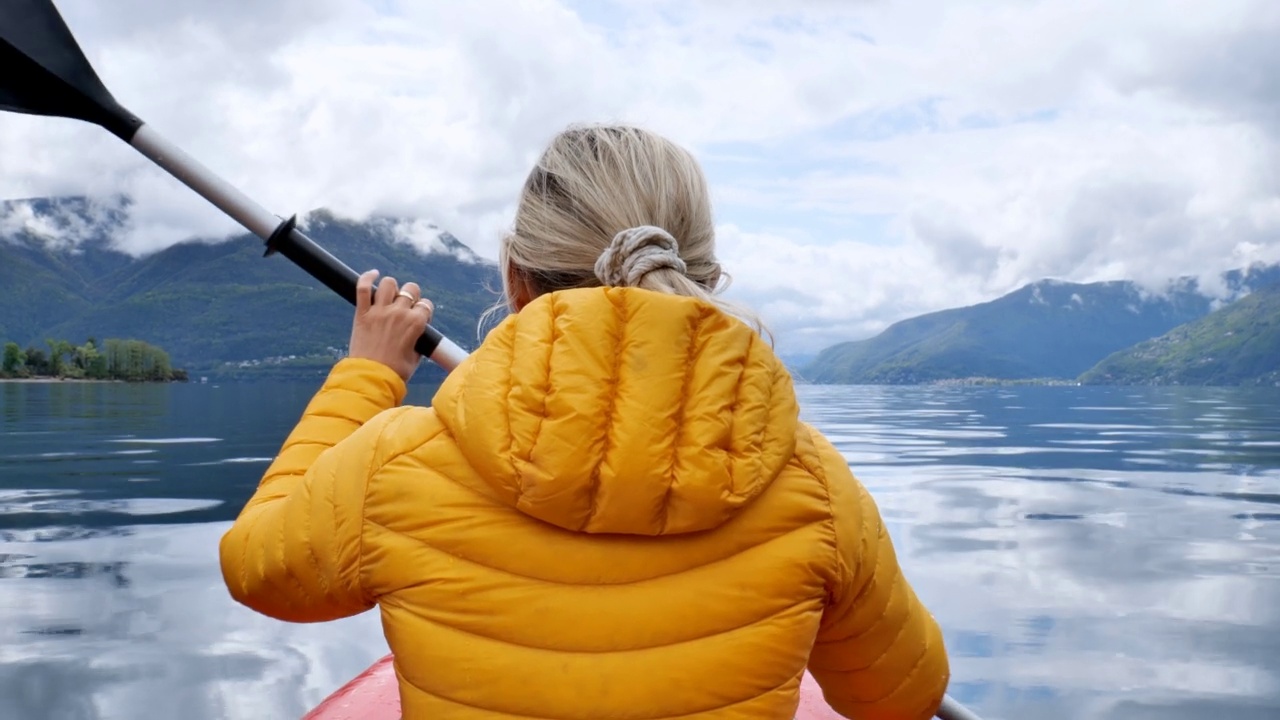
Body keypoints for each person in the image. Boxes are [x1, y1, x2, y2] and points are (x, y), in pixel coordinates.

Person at [219, 125, 950, 719]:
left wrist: (368, 374)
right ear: (704, 281)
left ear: (516, 279)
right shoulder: (812, 485)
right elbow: (898, 697)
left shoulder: (396, 463)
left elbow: (257, 568)